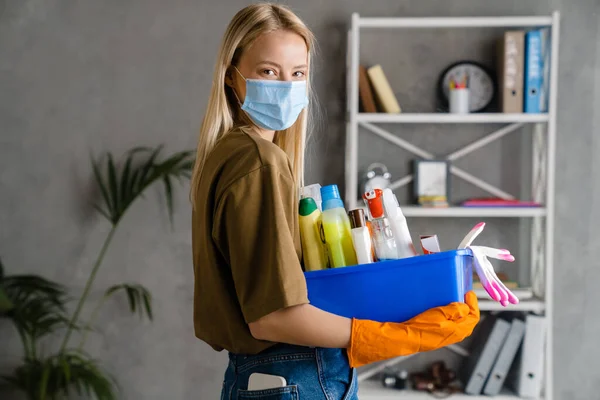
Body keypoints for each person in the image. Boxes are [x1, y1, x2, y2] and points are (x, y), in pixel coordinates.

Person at [190, 3, 480, 399]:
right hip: (296, 377)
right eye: (268, 71)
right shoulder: (259, 159)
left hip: (264, 377)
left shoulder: (226, 154)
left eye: (298, 73)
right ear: (231, 76)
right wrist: (401, 336)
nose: (286, 85)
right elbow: (272, 317)